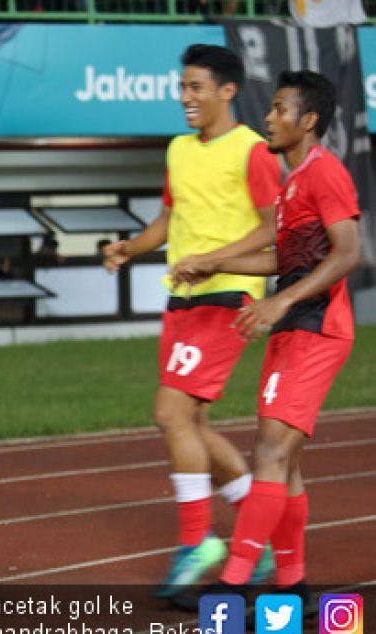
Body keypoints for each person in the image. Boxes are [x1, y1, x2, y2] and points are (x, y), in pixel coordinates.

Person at [102, 44, 281, 597]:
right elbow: (170, 218)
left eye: (196, 87)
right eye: (182, 87)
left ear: (227, 91)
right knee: (192, 424)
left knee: (170, 412)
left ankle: (197, 540)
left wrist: (214, 259)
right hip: (183, 299)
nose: (185, 97)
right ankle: (258, 536)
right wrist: (131, 247)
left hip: (228, 297)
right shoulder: (180, 149)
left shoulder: (252, 150)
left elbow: (275, 228)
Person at [177, 70, 361, 608]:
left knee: (271, 453)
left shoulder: (325, 174)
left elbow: (348, 252)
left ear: (308, 121)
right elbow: (287, 256)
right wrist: (216, 263)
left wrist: (280, 300)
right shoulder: (292, 180)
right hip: (292, 326)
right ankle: (293, 581)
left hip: (318, 327)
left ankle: (234, 579)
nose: (269, 118)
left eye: (280, 109)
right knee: (286, 460)